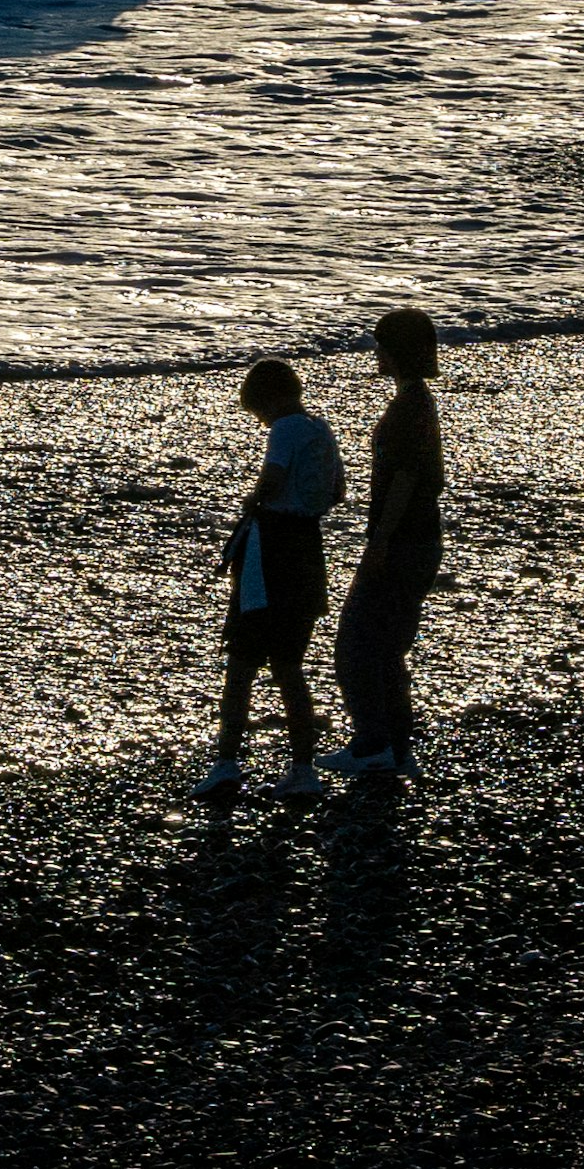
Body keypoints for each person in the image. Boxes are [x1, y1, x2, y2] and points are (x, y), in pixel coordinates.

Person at [198, 357, 344, 807]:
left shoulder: (284, 429)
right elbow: (339, 492)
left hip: (272, 548)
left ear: (267, 400)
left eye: (258, 412)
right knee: (289, 667)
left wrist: (252, 499)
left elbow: (273, 479)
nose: (260, 421)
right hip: (307, 548)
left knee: (242, 660)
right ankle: (303, 768)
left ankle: (226, 763)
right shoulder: (321, 430)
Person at [327, 307, 446, 781]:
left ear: (395, 351)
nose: (376, 353)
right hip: (418, 539)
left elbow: (406, 479)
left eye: (382, 345)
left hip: (403, 542)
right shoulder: (418, 402)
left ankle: (372, 742)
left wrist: (379, 540)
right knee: (389, 647)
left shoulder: (409, 409)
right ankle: (397, 747)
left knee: (357, 644)